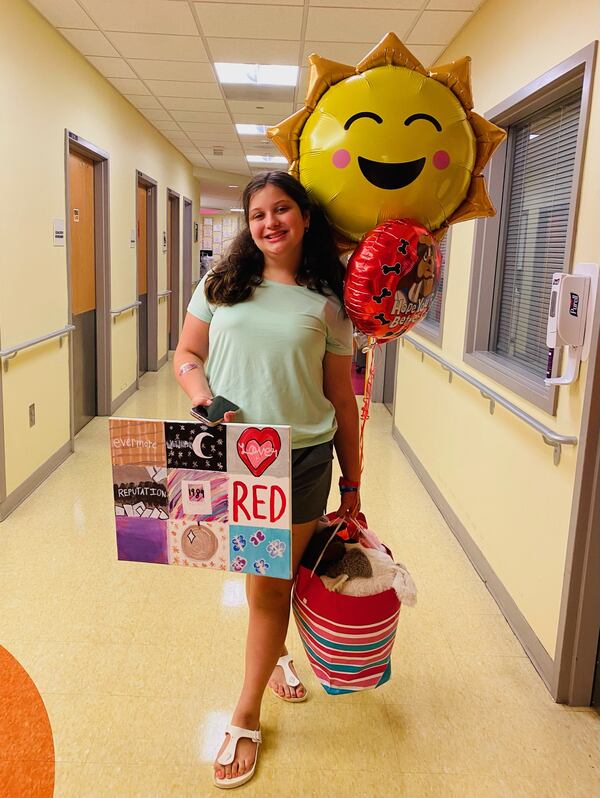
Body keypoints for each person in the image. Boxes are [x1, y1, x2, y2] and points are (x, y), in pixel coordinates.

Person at [173, 171, 361, 789]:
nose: (270, 223)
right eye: (258, 214)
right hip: (229, 456)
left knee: (268, 587)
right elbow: (186, 356)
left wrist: (353, 483)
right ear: (247, 225)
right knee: (256, 578)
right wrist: (204, 398)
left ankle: (246, 715)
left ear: (304, 219)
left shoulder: (327, 304)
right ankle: (277, 659)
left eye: (282, 210)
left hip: (299, 461)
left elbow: (342, 396)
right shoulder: (220, 286)